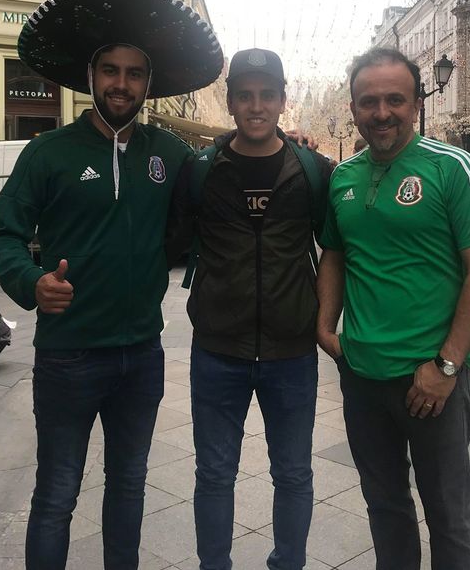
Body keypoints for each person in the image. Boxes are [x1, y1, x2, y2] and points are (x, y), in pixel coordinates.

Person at [0, 0, 223, 570]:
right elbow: (3, 236)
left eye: (134, 73)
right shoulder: (48, 153)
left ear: (149, 82)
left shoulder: (170, 154)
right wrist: (31, 282)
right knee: (57, 493)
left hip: (141, 354)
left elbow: (214, 208)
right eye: (111, 70)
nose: (122, 83)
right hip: (68, 355)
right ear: (90, 77)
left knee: (129, 485)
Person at [316, 48, 470, 569]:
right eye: (369, 101)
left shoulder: (453, 167)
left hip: (432, 379)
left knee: (448, 514)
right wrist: (325, 328)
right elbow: (335, 253)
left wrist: (447, 365)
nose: (382, 113)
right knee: (385, 506)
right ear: (353, 108)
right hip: (361, 374)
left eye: (395, 100)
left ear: (417, 103)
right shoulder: (343, 177)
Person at [174, 48, 331, 570]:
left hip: (292, 352)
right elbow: (171, 238)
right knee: (214, 474)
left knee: (294, 473)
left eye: (266, 95)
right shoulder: (202, 169)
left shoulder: (313, 170)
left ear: (283, 101)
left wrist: (324, 321)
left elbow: (336, 249)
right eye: (245, 95)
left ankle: (289, 563)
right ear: (231, 101)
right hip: (218, 350)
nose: (256, 106)